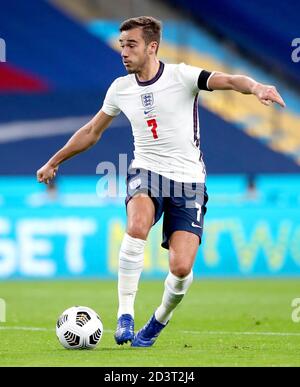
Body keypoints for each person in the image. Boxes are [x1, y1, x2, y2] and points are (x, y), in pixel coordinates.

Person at [37, 16, 286, 347]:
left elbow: (227, 79)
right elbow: (92, 131)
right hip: (147, 171)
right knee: (138, 225)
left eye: (131, 45)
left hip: (189, 181)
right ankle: (125, 315)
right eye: (121, 45)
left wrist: (256, 87)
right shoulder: (120, 89)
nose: (123, 52)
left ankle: (157, 322)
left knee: (181, 268)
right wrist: (54, 160)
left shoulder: (182, 76)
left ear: (152, 47)